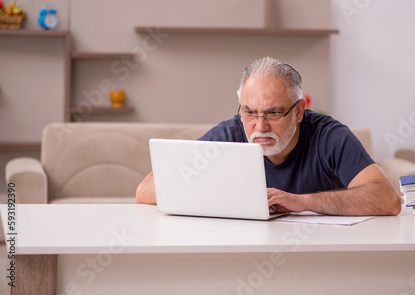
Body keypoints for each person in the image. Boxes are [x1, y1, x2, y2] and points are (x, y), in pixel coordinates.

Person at [136, 57, 401, 216]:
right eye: (250, 112)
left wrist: (302, 202)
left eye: (273, 113)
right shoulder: (229, 134)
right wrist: (220, 194)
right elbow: (145, 189)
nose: (259, 127)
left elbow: (387, 200)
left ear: (298, 111)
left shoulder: (330, 136)